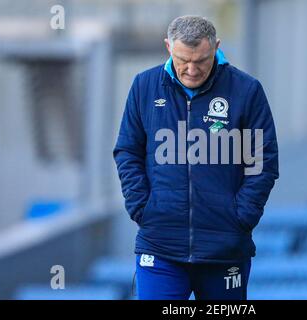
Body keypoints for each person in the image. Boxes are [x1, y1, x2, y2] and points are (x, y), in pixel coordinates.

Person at [113, 15, 279, 300]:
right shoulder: (144, 86)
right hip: (159, 244)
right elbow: (127, 151)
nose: (191, 69)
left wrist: (241, 216)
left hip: (224, 248)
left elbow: (262, 162)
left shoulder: (246, 91)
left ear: (216, 47)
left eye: (201, 60)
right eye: (182, 60)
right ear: (168, 47)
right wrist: (142, 206)